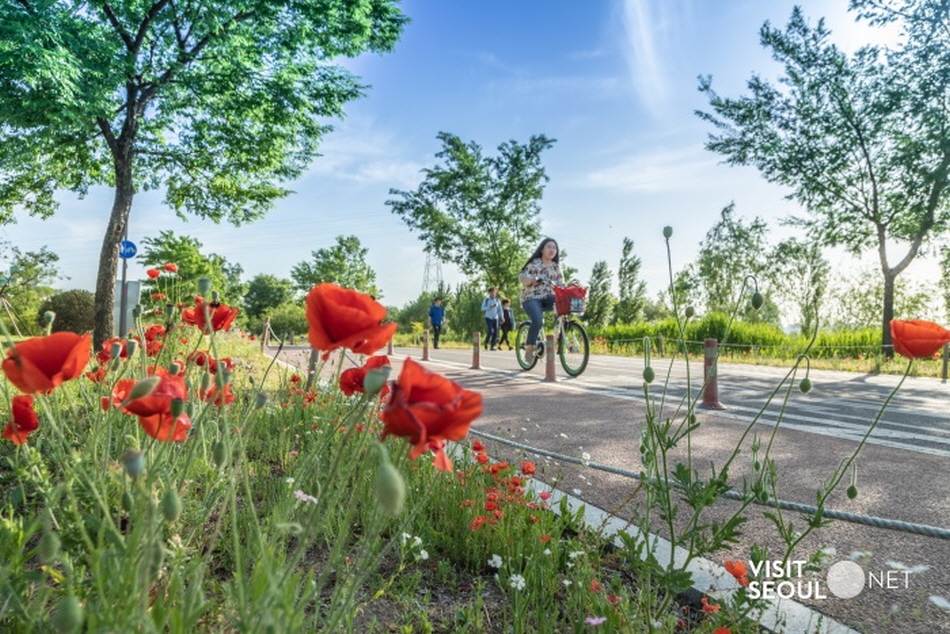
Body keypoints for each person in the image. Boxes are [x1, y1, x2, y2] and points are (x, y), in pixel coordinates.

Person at [518, 238, 564, 362]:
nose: (552, 250)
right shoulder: (534, 263)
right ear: (542, 249)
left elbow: (561, 285)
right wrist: (531, 281)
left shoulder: (556, 267)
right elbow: (522, 278)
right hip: (531, 297)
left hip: (547, 298)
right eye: (549, 247)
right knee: (538, 321)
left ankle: (558, 336)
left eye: (554, 248)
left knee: (564, 304)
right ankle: (529, 347)